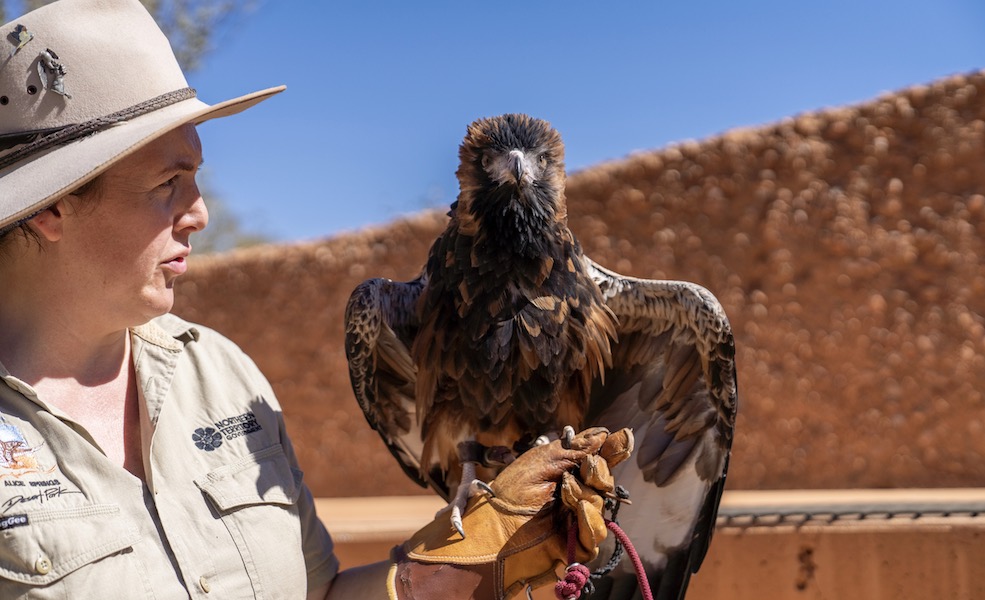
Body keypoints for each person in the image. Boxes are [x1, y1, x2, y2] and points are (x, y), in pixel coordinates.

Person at [0, 1, 628, 598]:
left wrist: (442, 574)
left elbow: (314, 594)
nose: (200, 213)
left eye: (197, 179)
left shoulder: (218, 376)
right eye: (167, 184)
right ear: (53, 206)